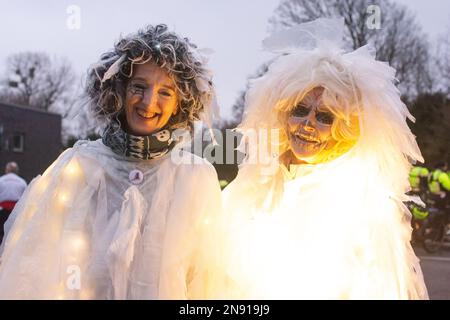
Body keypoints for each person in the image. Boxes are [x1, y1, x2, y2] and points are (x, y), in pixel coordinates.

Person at [0, 24, 223, 299]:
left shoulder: (194, 176)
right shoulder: (79, 166)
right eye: (139, 87)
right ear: (119, 90)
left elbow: (205, 278)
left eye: (165, 92)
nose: (149, 102)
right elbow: (33, 269)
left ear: (181, 102)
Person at [222, 18, 428, 299]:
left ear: (346, 125)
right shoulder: (258, 182)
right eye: (300, 110)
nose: (307, 124)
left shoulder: (360, 200)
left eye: (324, 116)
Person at [0, 162, 27, 243]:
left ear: (7, 170)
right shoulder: (22, 182)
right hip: (15, 211)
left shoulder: (1, 180)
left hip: (2, 210)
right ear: (17, 171)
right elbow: (25, 198)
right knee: (13, 231)